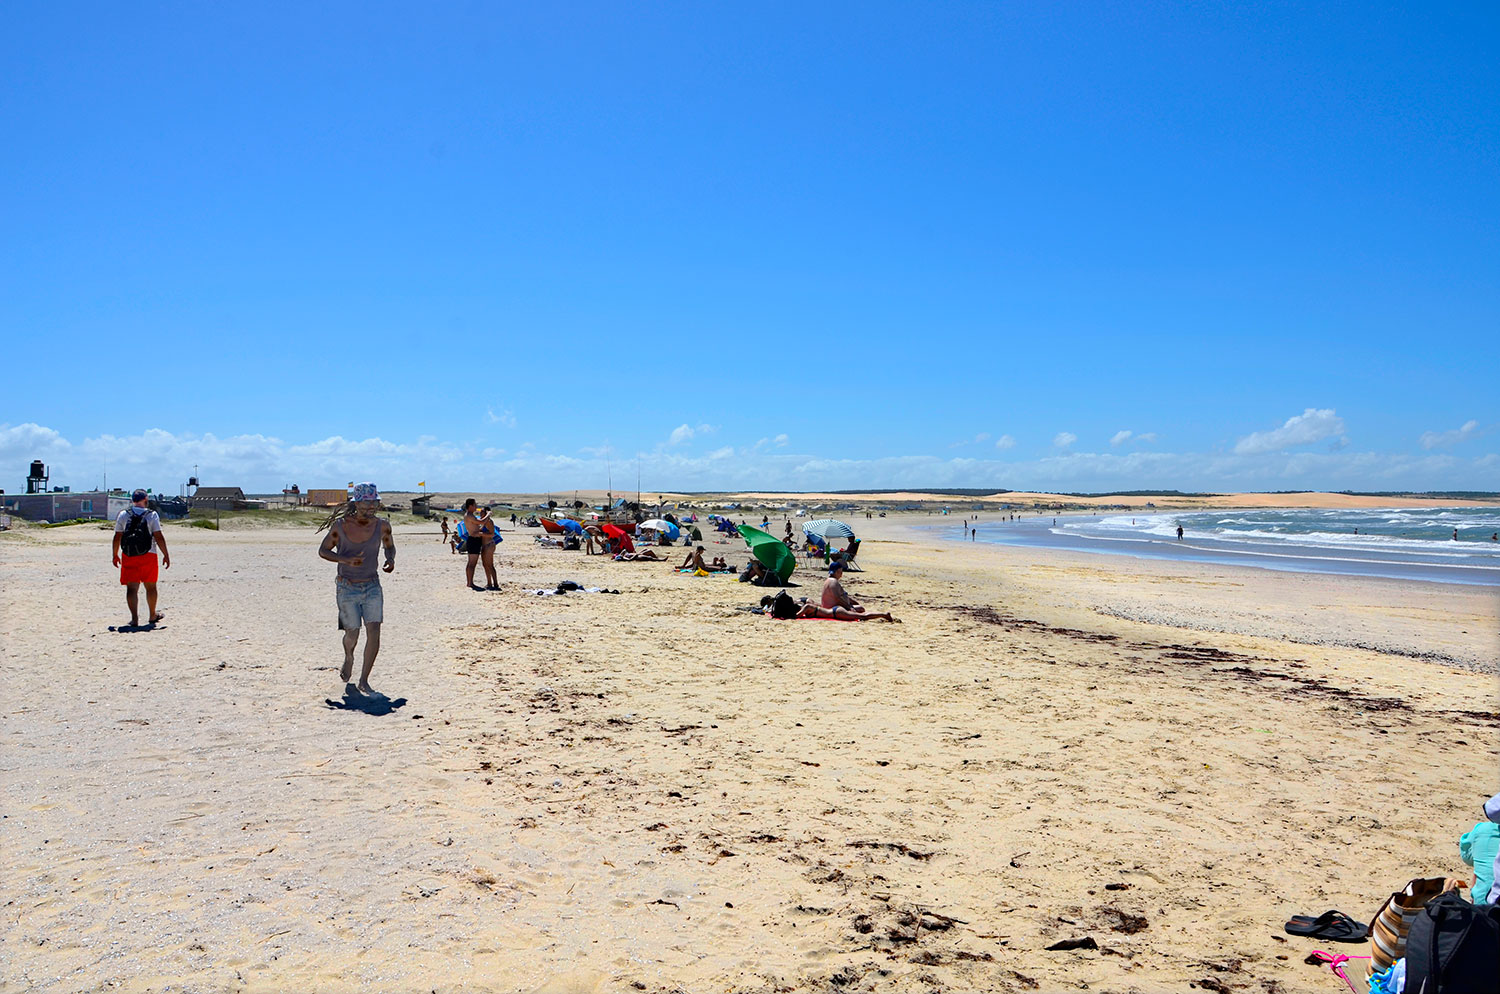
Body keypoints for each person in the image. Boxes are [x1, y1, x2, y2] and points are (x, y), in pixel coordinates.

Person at [317, 483, 395, 694]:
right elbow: (323, 551)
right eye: (367, 502)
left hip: (372, 586)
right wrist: (345, 560)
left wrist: (390, 559)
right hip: (346, 587)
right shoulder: (340, 527)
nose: (372, 506)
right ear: (357, 503)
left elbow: (389, 545)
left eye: (375, 502)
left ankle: (364, 680)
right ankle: (349, 656)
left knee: (374, 631)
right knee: (352, 634)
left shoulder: (383, 526)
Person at [111, 488, 171, 629]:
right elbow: (158, 536)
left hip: (129, 555)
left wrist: (115, 555)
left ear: (132, 500)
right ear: (146, 500)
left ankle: (134, 619)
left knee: (132, 588)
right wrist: (166, 554)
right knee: (150, 587)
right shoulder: (152, 515)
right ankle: (152, 615)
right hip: (148, 555)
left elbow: (117, 537)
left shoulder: (123, 515)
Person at [815, 561, 898, 621]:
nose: (841, 574)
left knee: (860, 608)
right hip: (835, 609)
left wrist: (851, 602)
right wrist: (849, 607)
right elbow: (837, 598)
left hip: (833, 607)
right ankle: (883, 615)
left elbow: (840, 596)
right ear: (836, 572)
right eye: (840, 572)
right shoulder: (833, 582)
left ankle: (883, 615)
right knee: (862, 616)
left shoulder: (829, 581)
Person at [1459, 794, 1500, 907]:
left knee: (1480, 869)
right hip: (1493, 906)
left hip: (1484, 906)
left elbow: (1467, 858)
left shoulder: (1482, 829)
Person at [461, 498, 487, 590]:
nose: (476, 507)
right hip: (473, 540)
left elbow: (478, 525)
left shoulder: (470, 515)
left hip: (474, 539)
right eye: (475, 505)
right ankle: (470, 582)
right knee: (472, 563)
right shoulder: (469, 515)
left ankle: (469, 582)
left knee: (471, 563)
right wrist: (488, 515)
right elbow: (481, 522)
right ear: (471, 506)